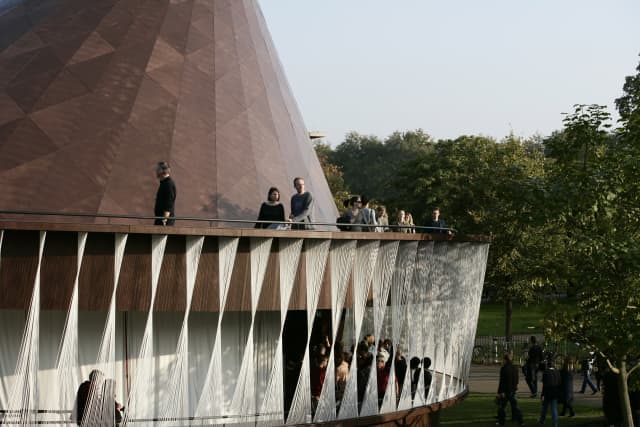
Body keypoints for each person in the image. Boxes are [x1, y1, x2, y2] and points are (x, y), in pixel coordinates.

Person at [496, 353, 524, 427]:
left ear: (505, 360)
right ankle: (520, 421)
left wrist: (500, 392)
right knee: (515, 407)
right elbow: (516, 379)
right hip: (513, 390)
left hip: (505, 391)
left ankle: (501, 422)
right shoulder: (515, 368)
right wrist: (516, 387)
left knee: (502, 407)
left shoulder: (504, 369)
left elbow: (502, 382)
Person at [539, 359, 561, 427]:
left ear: (547, 365)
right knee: (554, 409)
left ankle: (542, 420)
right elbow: (559, 383)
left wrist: (542, 394)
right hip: (555, 392)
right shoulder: (557, 372)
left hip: (547, 392)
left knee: (545, 408)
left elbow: (544, 385)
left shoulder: (546, 372)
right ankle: (555, 424)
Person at [154, 161, 176, 226]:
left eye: (157, 169)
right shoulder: (164, 183)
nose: (156, 171)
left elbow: (169, 204)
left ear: (162, 170)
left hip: (164, 223)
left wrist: (164, 219)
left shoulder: (168, 184)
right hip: (160, 220)